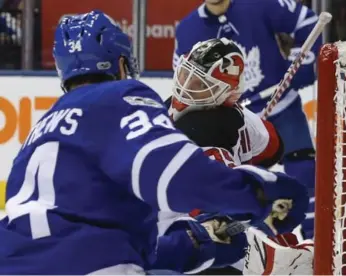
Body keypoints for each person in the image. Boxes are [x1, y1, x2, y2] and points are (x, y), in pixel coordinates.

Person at [0, 10, 308, 275]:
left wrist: (203, 241)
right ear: (122, 64)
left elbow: (143, 239)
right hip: (90, 264)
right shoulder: (122, 98)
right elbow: (177, 176)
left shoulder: (41, 128)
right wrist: (258, 191)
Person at [152, 38, 310, 275]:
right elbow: (273, 148)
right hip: (186, 233)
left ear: (225, 92)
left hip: (189, 237)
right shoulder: (240, 119)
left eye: (199, 83)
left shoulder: (187, 123)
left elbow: (211, 206)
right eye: (186, 75)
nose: (187, 86)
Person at [173, 0, 321, 239]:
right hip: (224, 115)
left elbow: (308, 20)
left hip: (279, 104)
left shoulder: (260, 5)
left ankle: (315, 237)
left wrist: (301, 62)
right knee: (233, 180)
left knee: (303, 165)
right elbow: (184, 78)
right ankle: (251, 239)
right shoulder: (188, 28)